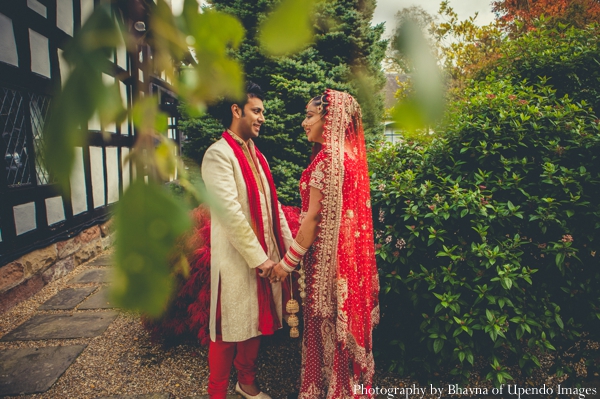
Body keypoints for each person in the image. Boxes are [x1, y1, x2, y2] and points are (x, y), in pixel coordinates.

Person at [270, 89, 380, 399]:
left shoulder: (327, 162)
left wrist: (286, 263)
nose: (304, 122)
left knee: (326, 328)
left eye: (309, 115)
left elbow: (313, 221)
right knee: (341, 333)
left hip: (326, 266)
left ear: (328, 119)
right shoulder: (350, 156)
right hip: (348, 265)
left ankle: (333, 392)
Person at [201, 81, 294, 399]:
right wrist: (261, 260)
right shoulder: (218, 155)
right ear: (236, 110)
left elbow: (274, 207)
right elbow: (229, 214)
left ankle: (246, 383)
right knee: (227, 329)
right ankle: (216, 393)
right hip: (235, 260)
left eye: (262, 112)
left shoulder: (259, 157)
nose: (262, 117)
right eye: (256, 110)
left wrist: (290, 249)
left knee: (255, 323)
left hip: (265, 258)